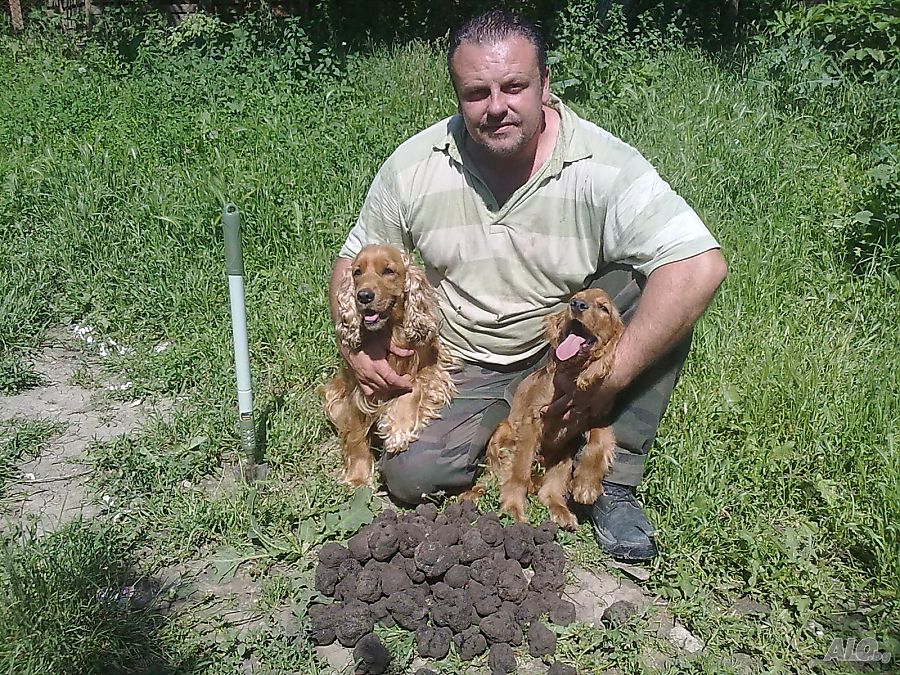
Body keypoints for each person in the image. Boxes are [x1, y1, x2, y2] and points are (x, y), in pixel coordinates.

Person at [328, 10, 727, 561]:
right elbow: (353, 257)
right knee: (412, 476)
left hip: (562, 342)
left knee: (659, 280)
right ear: (457, 95)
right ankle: (498, 430)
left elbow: (700, 264)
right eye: (477, 92)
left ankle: (615, 474)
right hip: (463, 358)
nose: (497, 106)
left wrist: (610, 379)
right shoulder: (416, 165)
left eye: (514, 86)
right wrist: (359, 343)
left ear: (544, 84)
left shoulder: (603, 165)